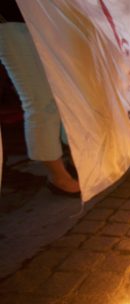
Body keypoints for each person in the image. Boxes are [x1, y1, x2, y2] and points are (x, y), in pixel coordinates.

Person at [0, 0, 80, 196]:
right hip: (10, 21)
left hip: (39, 19)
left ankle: (71, 161)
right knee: (40, 101)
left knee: (62, 96)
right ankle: (58, 176)